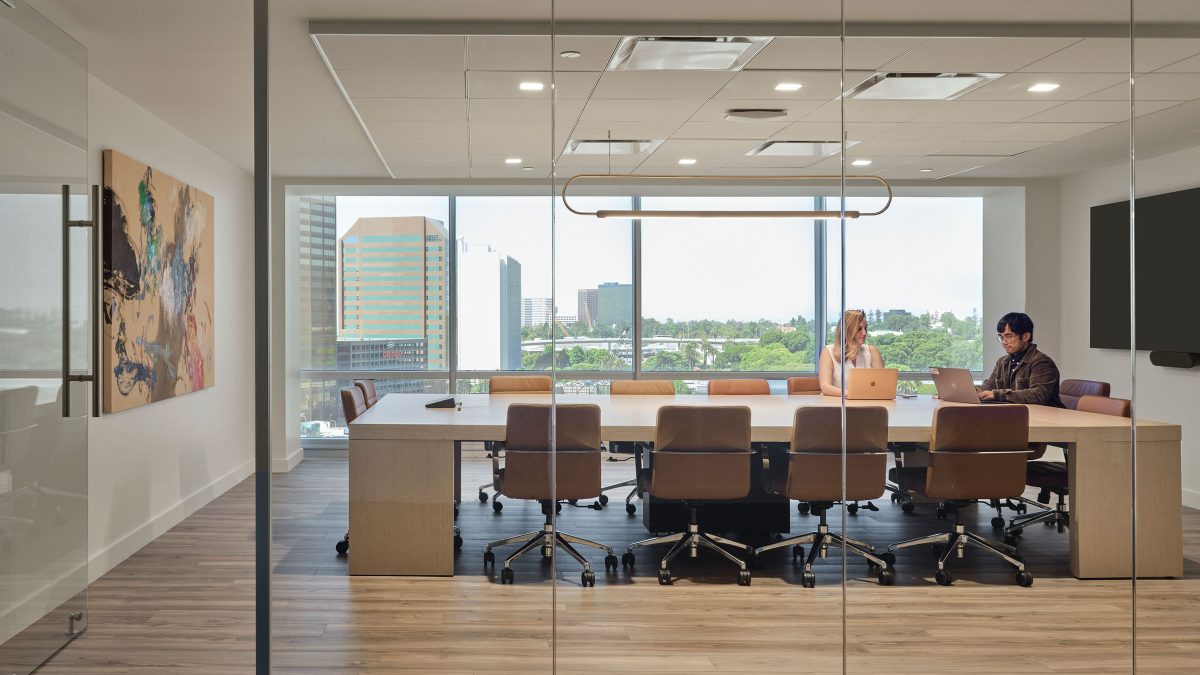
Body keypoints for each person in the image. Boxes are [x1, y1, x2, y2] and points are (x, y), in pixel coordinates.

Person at [978, 312, 1064, 407]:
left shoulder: (1042, 362)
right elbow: (990, 386)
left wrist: (998, 394)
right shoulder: (1002, 362)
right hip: (1015, 412)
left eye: (1008, 336)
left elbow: (1038, 395)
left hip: (1045, 414)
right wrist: (975, 391)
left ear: (1026, 336)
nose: (1004, 342)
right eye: (1001, 337)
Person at [819, 309, 885, 397]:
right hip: (836, 404)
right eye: (859, 329)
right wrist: (854, 394)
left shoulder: (873, 352)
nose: (864, 333)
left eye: (865, 328)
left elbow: (882, 386)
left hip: (866, 403)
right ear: (847, 330)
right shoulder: (828, 351)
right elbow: (825, 387)